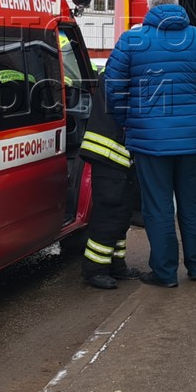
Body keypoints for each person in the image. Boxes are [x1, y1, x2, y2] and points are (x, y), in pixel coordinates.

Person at [105, 0, 196, 287]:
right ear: (177, 3)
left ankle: (165, 272)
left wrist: (128, 122)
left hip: (148, 141)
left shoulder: (131, 40)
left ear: (149, 6)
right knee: (195, 204)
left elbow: (113, 89)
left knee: (158, 206)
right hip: (190, 140)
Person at [76, 71, 146, 290]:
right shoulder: (119, 76)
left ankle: (116, 264)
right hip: (109, 154)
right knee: (109, 212)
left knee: (121, 214)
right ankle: (95, 269)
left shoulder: (123, 72)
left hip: (117, 155)